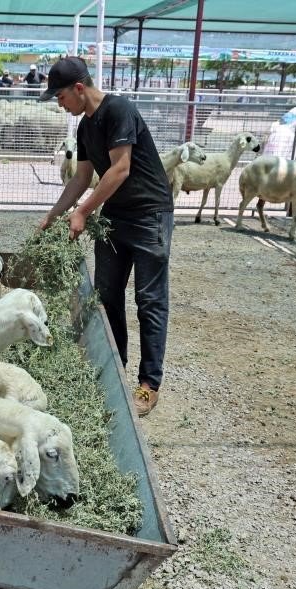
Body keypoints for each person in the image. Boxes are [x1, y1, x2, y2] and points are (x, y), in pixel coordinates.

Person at [38, 57, 174, 416]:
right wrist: (55, 214)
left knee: (149, 301)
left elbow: (121, 168)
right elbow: (82, 179)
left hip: (149, 215)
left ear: (79, 89)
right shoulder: (84, 128)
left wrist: (83, 212)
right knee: (107, 296)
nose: (59, 103)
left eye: (61, 96)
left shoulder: (119, 110)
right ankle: (116, 371)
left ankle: (148, 387)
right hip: (116, 216)